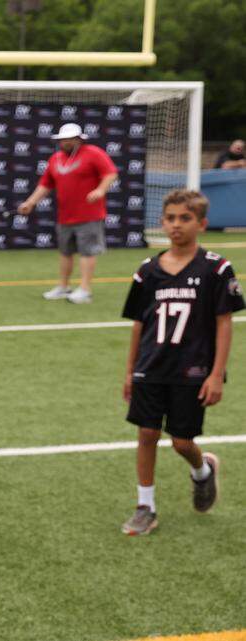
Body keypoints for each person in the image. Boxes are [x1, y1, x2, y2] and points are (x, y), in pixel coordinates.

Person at [119, 189, 244, 535]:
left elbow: (223, 322)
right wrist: (130, 370)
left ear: (202, 223)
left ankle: (202, 470)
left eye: (185, 218)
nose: (176, 225)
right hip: (151, 365)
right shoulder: (147, 270)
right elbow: (139, 324)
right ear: (162, 222)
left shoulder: (216, 268)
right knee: (146, 432)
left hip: (192, 369)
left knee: (181, 441)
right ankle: (146, 506)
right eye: (170, 218)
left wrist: (217, 374)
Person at [17, 123, 118, 305]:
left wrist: (100, 190)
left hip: (89, 214)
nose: (64, 142)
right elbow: (45, 184)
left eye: (68, 139)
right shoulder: (55, 159)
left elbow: (110, 173)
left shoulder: (94, 153)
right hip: (65, 215)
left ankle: (85, 289)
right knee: (65, 252)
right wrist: (30, 202)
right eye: (62, 139)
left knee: (87, 252)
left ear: (78, 139)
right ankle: (63, 287)